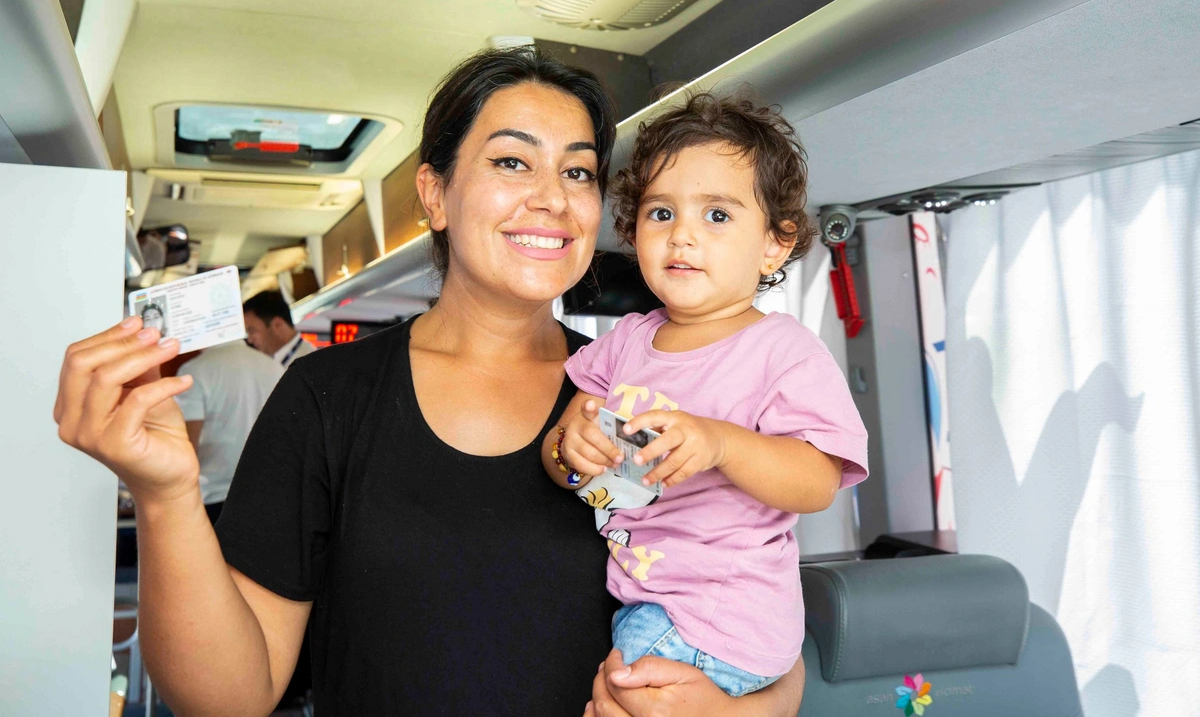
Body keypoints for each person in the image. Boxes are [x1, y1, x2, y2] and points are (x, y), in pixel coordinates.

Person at [51, 47, 804, 716]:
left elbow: (753, 613)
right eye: (512, 162)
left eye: (577, 171)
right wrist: (165, 495)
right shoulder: (328, 396)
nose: (552, 196)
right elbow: (228, 698)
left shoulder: (638, 396)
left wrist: (741, 714)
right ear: (436, 195)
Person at [545, 92, 868, 696]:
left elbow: (818, 482)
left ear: (774, 243)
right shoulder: (624, 343)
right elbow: (563, 450)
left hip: (720, 622)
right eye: (661, 213)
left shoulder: (784, 352)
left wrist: (721, 444)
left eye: (717, 215)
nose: (682, 236)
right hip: (648, 603)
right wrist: (572, 449)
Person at [173, 340, 283, 524]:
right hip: (268, 496)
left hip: (214, 496)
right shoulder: (274, 367)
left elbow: (186, 446)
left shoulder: (195, 370)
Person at [243, 289, 316, 368]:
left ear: (278, 325)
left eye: (251, 330)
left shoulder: (309, 365)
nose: (250, 340)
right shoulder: (283, 362)